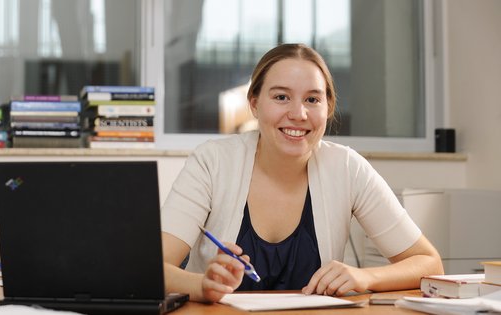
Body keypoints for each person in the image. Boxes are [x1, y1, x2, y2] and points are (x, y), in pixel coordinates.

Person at [160, 43, 444, 303]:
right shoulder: (213, 162)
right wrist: (202, 285)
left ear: (328, 107)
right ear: (255, 104)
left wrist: (365, 276)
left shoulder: (347, 167)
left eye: (312, 100)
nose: (298, 113)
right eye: (281, 97)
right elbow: (152, 269)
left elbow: (429, 263)